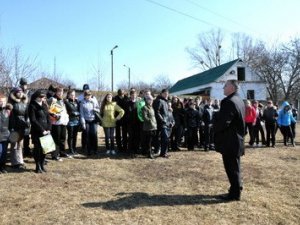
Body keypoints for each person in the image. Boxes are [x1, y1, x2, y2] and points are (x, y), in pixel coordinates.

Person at [214, 80, 245, 201]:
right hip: (236, 139)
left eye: (225, 86)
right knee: (235, 167)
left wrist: (214, 125)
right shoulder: (239, 100)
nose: (223, 88)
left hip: (230, 141)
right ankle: (236, 188)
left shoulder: (228, 102)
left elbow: (224, 122)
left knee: (231, 168)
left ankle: (234, 194)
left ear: (232, 87)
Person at [28, 90, 52, 173]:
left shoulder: (45, 105)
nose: (42, 98)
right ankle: (37, 166)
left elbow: (48, 118)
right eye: (40, 97)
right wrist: (42, 130)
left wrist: (49, 129)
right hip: (37, 131)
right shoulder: (32, 106)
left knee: (45, 149)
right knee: (37, 149)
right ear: (36, 97)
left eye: (43, 97)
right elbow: (33, 120)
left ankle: (42, 164)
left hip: (46, 131)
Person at [8, 87, 30, 170]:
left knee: (20, 144)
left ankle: (20, 160)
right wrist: (12, 127)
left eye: (21, 92)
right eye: (18, 92)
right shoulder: (11, 103)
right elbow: (11, 117)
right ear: (14, 93)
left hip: (22, 125)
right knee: (14, 144)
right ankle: (14, 162)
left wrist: (27, 122)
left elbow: (27, 115)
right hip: (14, 125)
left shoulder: (24, 103)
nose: (20, 93)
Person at [48, 87, 70, 160]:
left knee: (63, 138)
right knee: (56, 139)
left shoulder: (63, 100)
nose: (60, 93)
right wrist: (54, 116)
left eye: (62, 92)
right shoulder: (53, 99)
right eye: (59, 92)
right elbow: (49, 110)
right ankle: (55, 155)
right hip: (55, 123)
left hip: (63, 122)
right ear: (56, 92)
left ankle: (62, 152)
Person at [80, 90, 100, 155]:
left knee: (94, 134)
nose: (88, 97)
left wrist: (95, 109)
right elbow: (82, 114)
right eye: (86, 95)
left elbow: (99, 110)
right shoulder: (82, 103)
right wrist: (83, 123)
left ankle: (95, 149)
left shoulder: (94, 101)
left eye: (89, 95)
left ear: (91, 95)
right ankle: (89, 150)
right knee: (87, 135)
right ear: (84, 96)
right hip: (86, 121)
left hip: (93, 120)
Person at [153, 89, 171, 158]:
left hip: (166, 122)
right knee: (165, 138)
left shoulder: (166, 101)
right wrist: (162, 120)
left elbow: (166, 113)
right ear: (162, 94)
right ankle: (162, 153)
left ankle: (164, 153)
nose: (166, 94)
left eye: (167, 93)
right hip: (161, 123)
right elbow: (157, 112)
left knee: (165, 138)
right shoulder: (159, 100)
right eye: (165, 93)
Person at [64, 89, 80, 155]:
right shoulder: (66, 102)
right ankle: (70, 150)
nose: (73, 96)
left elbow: (79, 110)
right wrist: (74, 113)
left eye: (74, 95)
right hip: (70, 121)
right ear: (68, 95)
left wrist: (76, 113)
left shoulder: (76, 101)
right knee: (70, 136)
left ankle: (74, 149)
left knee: (75, 136)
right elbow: (68, 111)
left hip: (76, 121)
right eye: (71, 95)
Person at [0, 94, 12, 173]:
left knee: (4, 153)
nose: (2, 103)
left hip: (5, 134)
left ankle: (2, 167)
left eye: (3, 101)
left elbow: (11, 123)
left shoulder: (8, 111)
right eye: (0, 101)